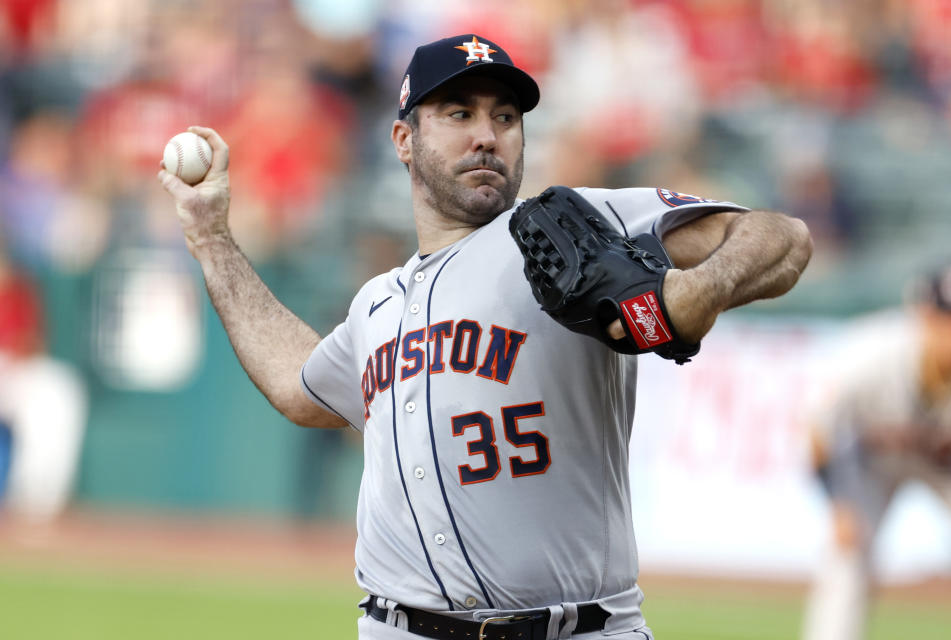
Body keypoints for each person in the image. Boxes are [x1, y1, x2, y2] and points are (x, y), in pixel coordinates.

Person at [158, 34, 812, 640]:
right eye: (459, 114)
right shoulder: (377, 305)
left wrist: (695, 292)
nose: (488, 136)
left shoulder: (570, 229)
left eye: (505, 117)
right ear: (404, 140)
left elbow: (780, 238)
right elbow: (296, 386)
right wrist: (210, 236)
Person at [802, 263, 951, 640]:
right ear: (923, 314)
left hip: (947, 465)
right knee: (848, 555)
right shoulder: (871, 352)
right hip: (868, 463)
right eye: (950, 320)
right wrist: (838, 503)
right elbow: (818, 430)